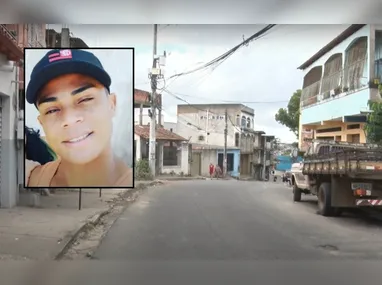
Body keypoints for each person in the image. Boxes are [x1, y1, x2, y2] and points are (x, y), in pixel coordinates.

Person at [25, 49, 133, 188]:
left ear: (112, 104)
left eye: (85, 99)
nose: (69, 119)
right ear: (42, 122)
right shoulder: (27, 179)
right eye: (52, 110)